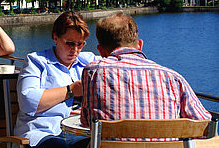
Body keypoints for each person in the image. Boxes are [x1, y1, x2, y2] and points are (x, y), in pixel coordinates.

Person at [80, 12, 211, 127]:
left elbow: (86, 121)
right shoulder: (173, 78)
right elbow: (204, 123)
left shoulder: (93, 71)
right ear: (140, 45)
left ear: (101, 51)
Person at [14, 11, 99, 148]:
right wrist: (70, 90)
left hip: (81, 132)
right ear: (55, 37)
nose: (75, 50)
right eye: (70, 43)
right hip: (45, 132)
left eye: (80, 44)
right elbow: (27, 101)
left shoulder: (89, 61)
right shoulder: (37, 61)